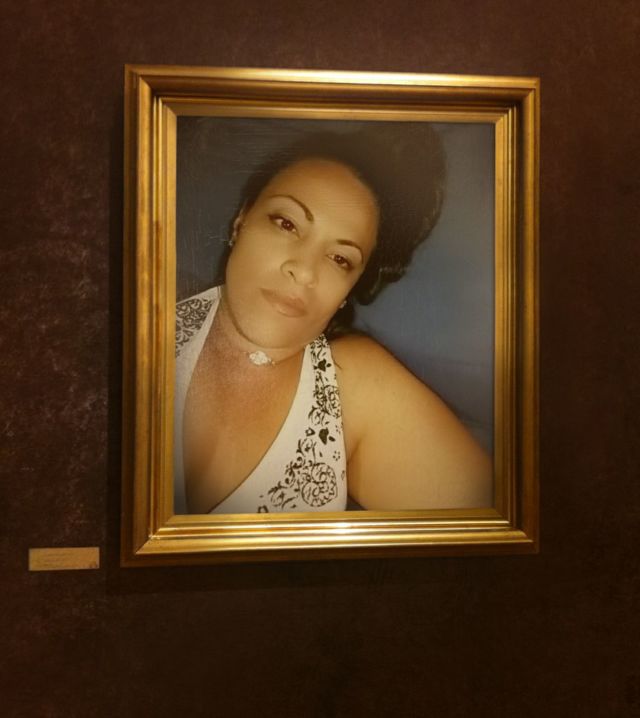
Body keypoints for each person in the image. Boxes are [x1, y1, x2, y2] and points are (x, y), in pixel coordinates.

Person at [174, 126, 492, 514]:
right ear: (241, 221)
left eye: (340, 259)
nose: (305, 271)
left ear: (349, 290)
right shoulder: (144, 309)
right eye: (287, 223)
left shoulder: (356, 384)